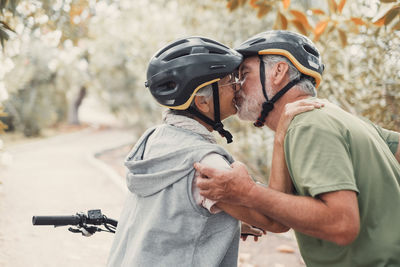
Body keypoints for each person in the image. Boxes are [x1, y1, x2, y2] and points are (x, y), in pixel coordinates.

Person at [107, 36, 323, 267]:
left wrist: (222, 223)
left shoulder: (153, 139)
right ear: (202, 102)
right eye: (230, 81)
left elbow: (168, 210)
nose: (238, 86)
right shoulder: (206, 163)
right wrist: (281, 135)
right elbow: (276, 220)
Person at [195, 30, 400, 267]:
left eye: (244, 74)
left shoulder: (307, 126)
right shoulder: (340, 118)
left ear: (278, 72)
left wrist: (248, 193)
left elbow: (341, 224)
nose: (237, 87)